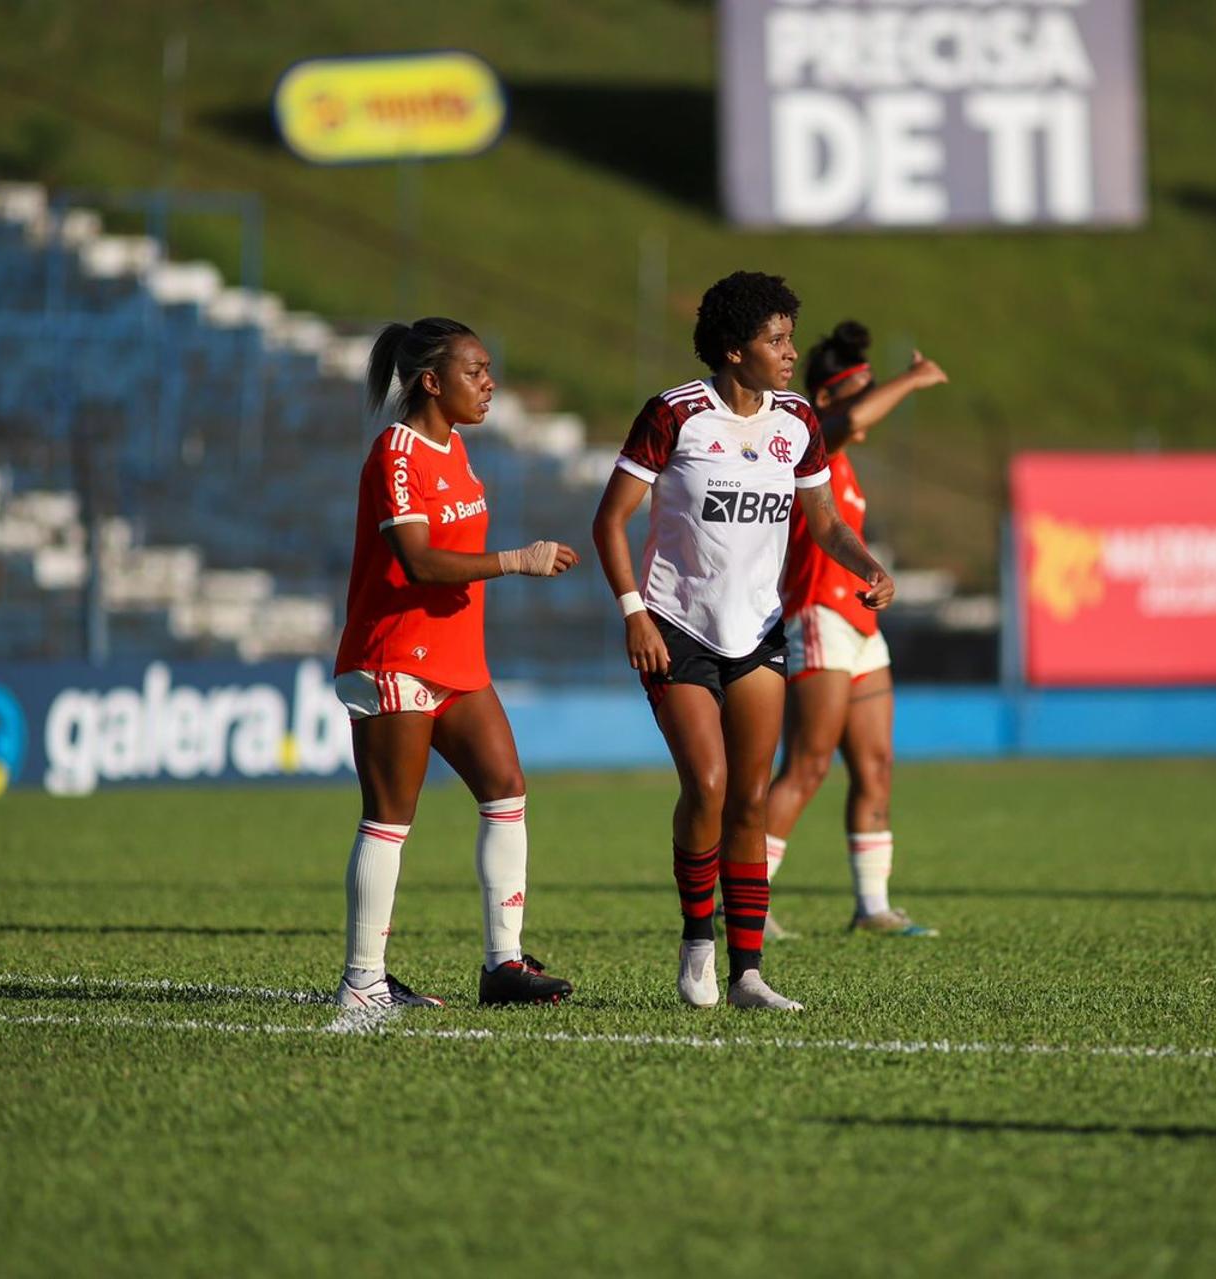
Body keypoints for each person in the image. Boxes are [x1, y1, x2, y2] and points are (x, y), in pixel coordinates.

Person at [591, 272, 895, 1012]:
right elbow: (610, 519)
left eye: (791, 336)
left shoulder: (797, 420)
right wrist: (634, 612)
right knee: (709, 783)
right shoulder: (675, 414)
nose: (791, 352)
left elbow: (823, 522)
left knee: (752, 799)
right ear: (734, 350)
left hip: (758, 631)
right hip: (675, 626)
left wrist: (866, 563)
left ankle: (748, 973)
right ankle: (699, 943)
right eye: (776, 339)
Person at [332, 316, 577, 1011]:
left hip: (456, 660)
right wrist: (515, 560)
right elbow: (416, 559)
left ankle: (503, 964)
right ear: (432, 382)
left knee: (506, 787)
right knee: (390, 817)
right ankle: (362, 982)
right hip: (395, 657)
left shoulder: (456, 445)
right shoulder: (396, 453)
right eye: (475, 371)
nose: (489, 382)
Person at [763, 321, 946, 938]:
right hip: (817, 616)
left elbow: (858, 415)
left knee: (876, 766)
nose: (871, 407)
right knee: (808, 765)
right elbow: (852, 418)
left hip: (861, 624)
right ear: (825, 401)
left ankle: (872, 908)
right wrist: (913, 378)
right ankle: (745, 904)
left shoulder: (845, 466)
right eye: (858, 392)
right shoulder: (813, 442)